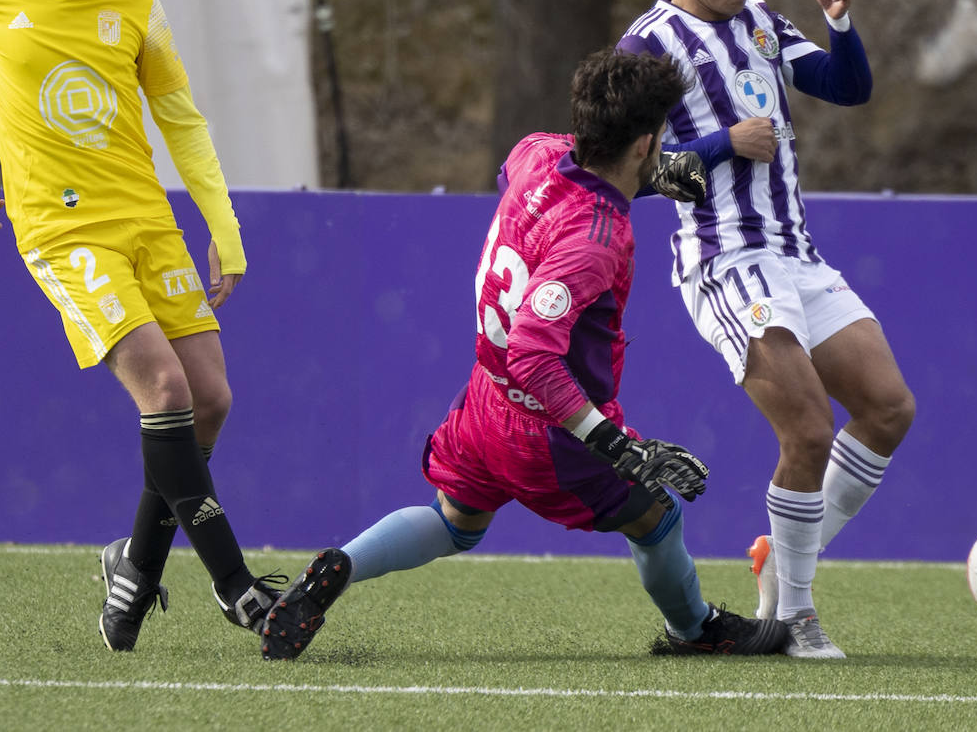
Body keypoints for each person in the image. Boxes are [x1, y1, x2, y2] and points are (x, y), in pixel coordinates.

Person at [260, 49, 786, 661]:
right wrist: (617, 446)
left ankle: (344, 564)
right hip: (549, 427)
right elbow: (535, 358)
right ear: (644, 144)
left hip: (484, 402)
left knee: (455, 521)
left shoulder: (537, 152)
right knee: (657, 516)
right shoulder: (598, 237)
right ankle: (695, 628)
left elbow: (547, 169)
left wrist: (685, 159)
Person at [0, 0, 280, 652]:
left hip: (147, 224)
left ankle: (134, 562)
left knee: (211, 397)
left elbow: (183, 124)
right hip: (63, 230)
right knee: (163, 388)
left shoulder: (139, 8)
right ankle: (236, 585)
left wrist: (221, 231)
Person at [614, 0, 916, 660]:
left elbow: (848, 88)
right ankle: (797, 614)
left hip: (796, 254)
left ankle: (779, 559)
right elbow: (626, 172)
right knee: (810, 429)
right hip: (725, 260)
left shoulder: (760, 23)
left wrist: (841, 24)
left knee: (888, 409)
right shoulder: (647, 47)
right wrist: (722, 145)